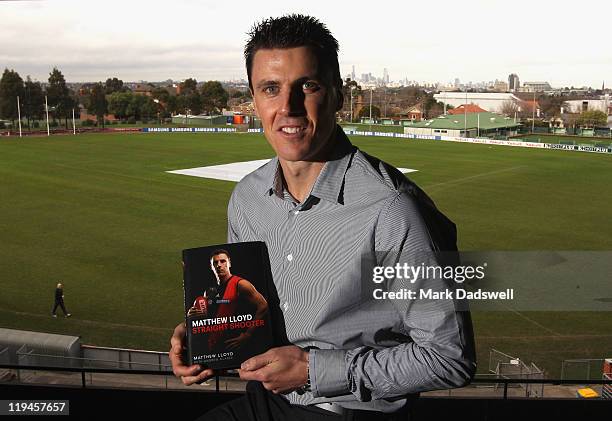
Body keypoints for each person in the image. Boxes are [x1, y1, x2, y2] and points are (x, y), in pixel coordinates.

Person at [170, 14, 476, 420]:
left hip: (350, 411)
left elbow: (448, 358)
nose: (288, 108)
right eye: (271, 89)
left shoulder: (393, 208)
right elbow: (250, 315)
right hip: (269, 400)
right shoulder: (246, 198)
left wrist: (314, 370)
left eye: (307, 87)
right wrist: (207, 339)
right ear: (255, 100)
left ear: (338, 96)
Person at [187, 249, 269, 351]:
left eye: (223, 261)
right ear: (211, 266)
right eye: (215, 262)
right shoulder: (209, 290)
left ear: (229, 263)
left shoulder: (240, 284)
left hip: (237, 343)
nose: (219, 265)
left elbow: (263, 306)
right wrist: (192, 314)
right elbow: (211, 314)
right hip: (216, 344)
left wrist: (248, 334)